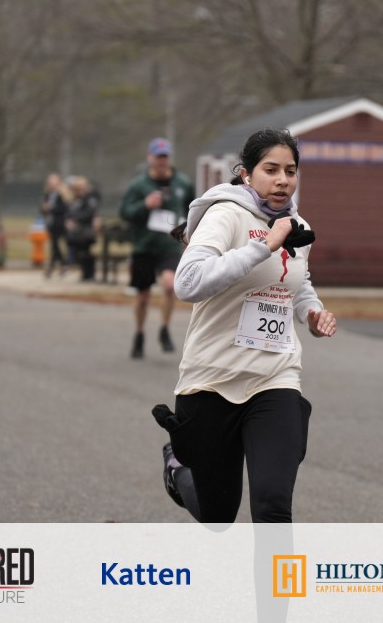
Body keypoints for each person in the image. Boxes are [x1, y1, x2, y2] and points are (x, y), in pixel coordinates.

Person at [151, 128, 336, 523]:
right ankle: (179, 469)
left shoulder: (296, 226)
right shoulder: (226, 215)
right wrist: (263, 246)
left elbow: (297, 282)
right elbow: (187, 283)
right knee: (218, 516)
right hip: (212, 379)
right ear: (247, 174)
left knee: (273, 505)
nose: (282, 179)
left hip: (275, 378)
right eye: (271, 169)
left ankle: (275, 571)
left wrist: (313, 313)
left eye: (290, 171)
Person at [119, 137, 195, 359]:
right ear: (149, 158)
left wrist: (190, 233)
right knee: (143, 297)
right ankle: (139, 334)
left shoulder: (182, 183)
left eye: (165, 157)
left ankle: (164, 329)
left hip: (168, 245)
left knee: (170, 285)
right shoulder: (138, 185)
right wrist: (144, 205)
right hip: (143, 246)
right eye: (158, 157)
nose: (162, 161)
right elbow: (124, 212)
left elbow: (193, 209)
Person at [64, 176, 99, 282]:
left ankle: (90, 274)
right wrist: (69, 220)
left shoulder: (90, 198)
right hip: (76, 232)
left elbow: (90, 212)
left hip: (86, 231)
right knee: (79, 253)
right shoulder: (75, 200)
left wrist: (75, 219)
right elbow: (69, 212)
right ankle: (84, 273)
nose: (80, 190)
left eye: (81, 188)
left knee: (86, 252)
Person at [40, 172, 70, 278]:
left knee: (56, 245)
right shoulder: (47, 194)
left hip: (60, 223)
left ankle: (57, 266)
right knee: (54, 246)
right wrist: (44, 209)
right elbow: (43, 209)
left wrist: (51, 208)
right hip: (51, 223)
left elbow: (65, 208)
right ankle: (60, 266)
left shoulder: (62, 194)